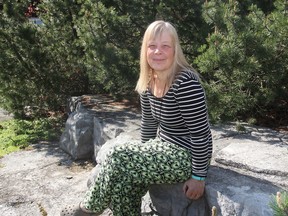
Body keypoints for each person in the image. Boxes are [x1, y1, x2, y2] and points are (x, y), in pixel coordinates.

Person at [60, 20, 213, 216]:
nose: (158, 51)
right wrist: (141, 156)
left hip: (187, 155)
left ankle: (87, 210)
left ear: (175, 50)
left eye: (165, 46)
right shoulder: (149, 80)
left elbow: (201, 134)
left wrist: (198, 177)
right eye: (152, 46)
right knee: (124, 176)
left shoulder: (185, 84)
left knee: (117, 155)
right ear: (145, 50)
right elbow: (149, 124)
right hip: (163, 145)